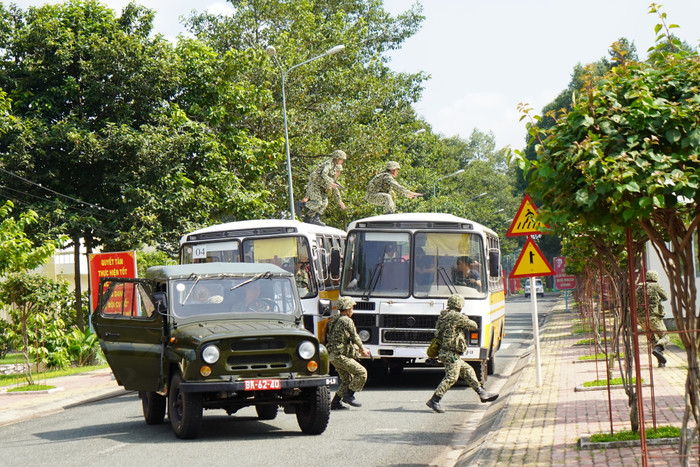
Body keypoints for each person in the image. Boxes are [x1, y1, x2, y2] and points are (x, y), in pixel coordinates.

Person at [426, 294, 498, 413]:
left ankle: (482, 393)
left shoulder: (443, 316)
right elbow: (473, 325)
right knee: (451, 377)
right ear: (459, 305)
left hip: (446, 351)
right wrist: (466, 318)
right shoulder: (456, 316)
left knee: (468, 371)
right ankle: (434, 400)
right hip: (451, 353)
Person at [326, 296, 371, 410]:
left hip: (332, 355)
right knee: (361, 373)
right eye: (352, 308)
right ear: (347, 309)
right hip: (340, 355)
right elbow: (354, 336)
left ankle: (335, 403)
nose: (353, 311)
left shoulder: (335, 319)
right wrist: (362, 348)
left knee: (347, 379)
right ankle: (349, 396)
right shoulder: (346, 320)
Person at [300, 149, 347, 225]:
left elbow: (335, 189)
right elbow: (323, 174)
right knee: (318, 202)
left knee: (324, 203)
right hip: (315, 184)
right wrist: (331, 183)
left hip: (320, 186)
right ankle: (301, 205)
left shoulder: (332, 173)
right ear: (337, 159)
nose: (339, 174)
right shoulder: (329, 164)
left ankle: (311, 218)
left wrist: (340, 201)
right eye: (341, 160)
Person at [635, 270, 670, 367]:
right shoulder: (656, 286)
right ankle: (658, 350)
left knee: (652, 339)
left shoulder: (639, 288)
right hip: (653, 317)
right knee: (664, 336)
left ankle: (661, 362)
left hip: (641, 318)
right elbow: (665, 297)